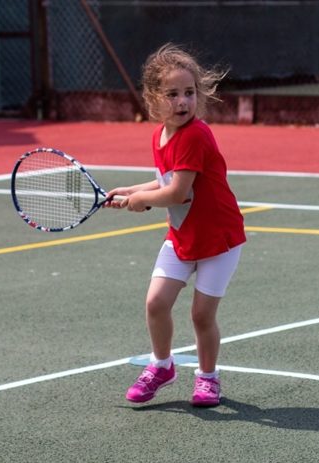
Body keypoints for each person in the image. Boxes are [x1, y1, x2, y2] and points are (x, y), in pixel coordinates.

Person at [104, 43, 245, 407]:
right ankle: (161, 366)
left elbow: (179, 193)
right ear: (153, 98)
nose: (182, 102)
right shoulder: (159, 136)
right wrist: (132, 189)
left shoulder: (196, 135)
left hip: (220, 240)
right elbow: (165, 181)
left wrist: (140, 201)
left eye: (189, 92)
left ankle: (208, 378)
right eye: (172, 94)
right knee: (155, 303)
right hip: (183, 236)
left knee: (201, 315)